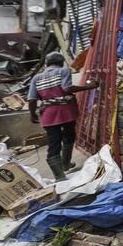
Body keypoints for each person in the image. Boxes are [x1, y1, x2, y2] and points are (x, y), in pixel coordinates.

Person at [27, 52, 99, 180]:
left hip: (48, 115)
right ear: (61, 63)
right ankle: (65, 163)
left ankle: (59, 176)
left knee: (54, 143)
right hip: (67, 112)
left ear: (46, 64)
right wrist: (88, 87)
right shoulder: (63, 70)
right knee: (69, 135)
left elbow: (32, 99)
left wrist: (32, 114)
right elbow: (67, 88)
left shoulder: (36, 78)